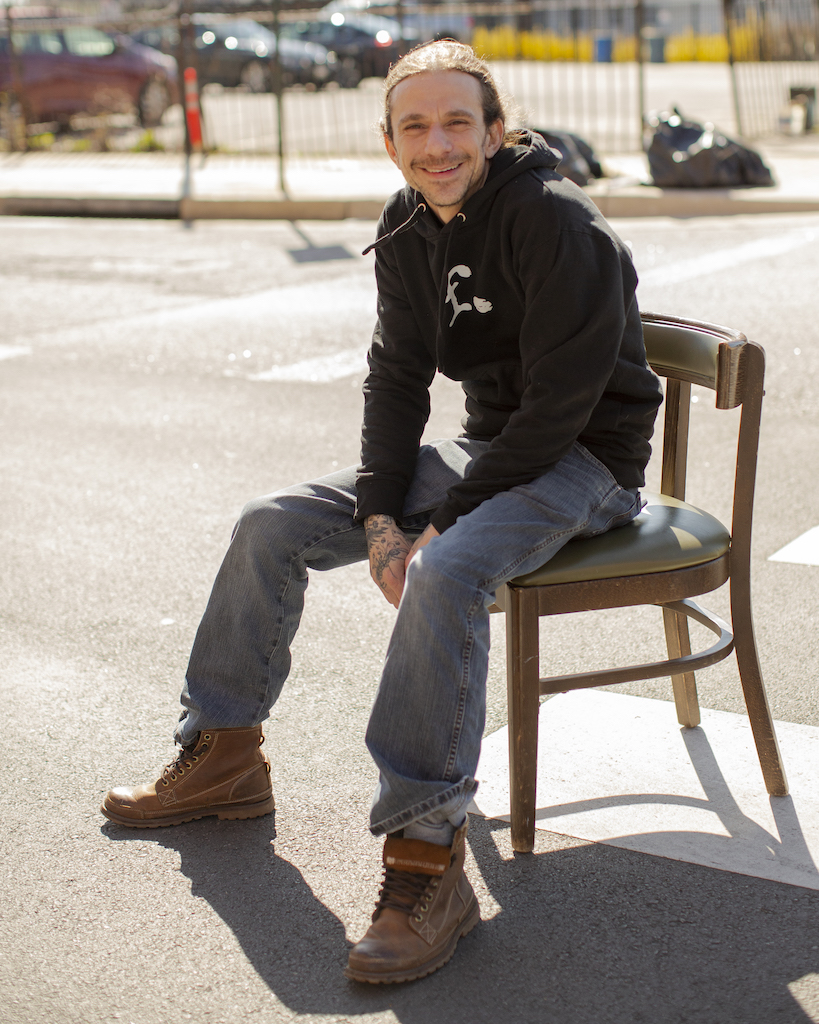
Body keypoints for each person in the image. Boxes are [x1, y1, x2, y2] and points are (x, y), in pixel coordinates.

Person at [101, 40, 663, 984]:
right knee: (269, 522)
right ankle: (223, 750)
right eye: (415, 127)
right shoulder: (407, 219)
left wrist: (441, 525)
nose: (436, 144)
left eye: (456, 123)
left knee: (444, 573)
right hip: (493, 451)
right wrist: (377, 517)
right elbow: (396, 377)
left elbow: (559, 409)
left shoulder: (557, 222)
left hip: (583, 462)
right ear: (390, 141)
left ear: (494, 130)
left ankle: (426, 859)